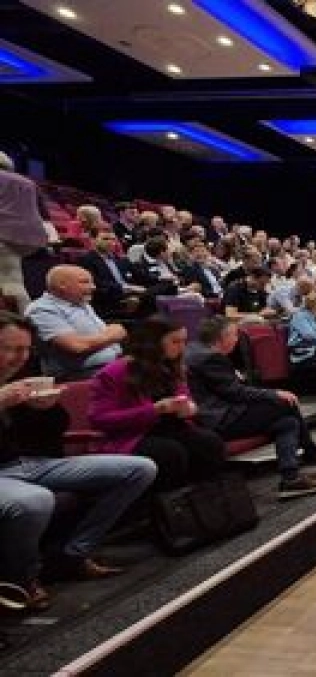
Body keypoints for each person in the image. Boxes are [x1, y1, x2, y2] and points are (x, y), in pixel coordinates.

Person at [0, 311, 156, 611]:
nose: (20, 357)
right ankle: (22, 579)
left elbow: (50, 436)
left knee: (140, 468)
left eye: (26, 349)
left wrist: (46, 408)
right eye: (11, 349)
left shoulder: (20, 378)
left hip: (31, 462)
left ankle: (72, 554)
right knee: (35, 500)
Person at [186, 317, 316, 500]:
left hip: (221, 412)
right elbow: (236, 393)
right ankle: (311, 451)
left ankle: (290, 476)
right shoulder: (211, 358)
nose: (236, 339)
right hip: (221, 419)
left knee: (287, 423)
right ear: (222, 337)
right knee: (286, 404)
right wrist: (274, 394)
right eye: (234, 335)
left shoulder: (195, 350)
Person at [89, 316, 226, 491]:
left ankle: (200, 497)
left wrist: (190, 408)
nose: (182, 347)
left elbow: (185, 397)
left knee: (210, 443)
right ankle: (167, 501)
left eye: (184, 341)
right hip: (133, 435)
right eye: (175, 342)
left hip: (170, 428)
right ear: (153, 343)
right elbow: (99, 419)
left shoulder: (171, 365)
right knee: (170, 453)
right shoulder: (114, 371)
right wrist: (154, 410)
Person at [25, 265, 126, 381]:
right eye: (85, 282)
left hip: (111, 364)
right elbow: (77, 346)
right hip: (79, 375)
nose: (93, 287)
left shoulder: (81, 302)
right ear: (61, 285)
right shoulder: (41, 309)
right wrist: (113, 335)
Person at [0, 152, 48, 312]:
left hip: (3, 233)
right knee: (14, 280)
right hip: (29, 238)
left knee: (8, 282)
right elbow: (43, 212)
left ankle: (18, 320)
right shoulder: (28, 182)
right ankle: (24, 318)